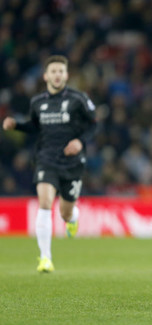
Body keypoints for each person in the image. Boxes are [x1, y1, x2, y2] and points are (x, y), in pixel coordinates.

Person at [2, 55, 96, 273]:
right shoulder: (38, 102)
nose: (57, 75)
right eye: (53, 71)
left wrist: (79, 142)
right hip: (46, 158)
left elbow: (93, 124)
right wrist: (16, 125)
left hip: (72, 162)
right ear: (45, 76)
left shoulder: (78, 99)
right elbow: (34, 126)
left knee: (65, 212)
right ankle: (45, 258)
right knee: (44, 202)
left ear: (66, 75)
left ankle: (73, 217)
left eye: (60, 71)